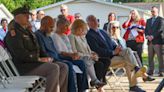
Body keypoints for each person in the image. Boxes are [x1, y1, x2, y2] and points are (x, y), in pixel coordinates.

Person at [4, 6, 68, 92]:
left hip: (35, 63)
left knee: (64, 66)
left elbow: (38, 49)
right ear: (17, 17)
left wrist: (47, 58)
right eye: (25, 15)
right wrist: (39, 59)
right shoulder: (13, 34)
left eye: (28, 15)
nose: (28, 17)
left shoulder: (27, 31)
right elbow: (21, 55)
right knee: (53, 68)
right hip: (25, 67)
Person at [86, 15, 148, 92]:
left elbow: (111, 43)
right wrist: (112, 52)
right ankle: (134, 84)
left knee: (127, 50)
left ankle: (136, 71)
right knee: (128, 62)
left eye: (96, 20)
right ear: (88, 23)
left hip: (114, 56)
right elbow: (97, 50)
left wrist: (117, 47)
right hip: (104, 59)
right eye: (92, 20)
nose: (95, 22)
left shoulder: (102, 32)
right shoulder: (89, 35)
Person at [35, 16, 78, 92]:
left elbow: (54, 51)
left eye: (53, 27)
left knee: (68, 64)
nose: (52, 29)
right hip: (48, 61)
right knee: (66, 65)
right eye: (51, 27)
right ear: (44, 25)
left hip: (56, 58)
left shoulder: (48, 36)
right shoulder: (38, 35)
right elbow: (43, 52)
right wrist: (55, 59)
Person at [51, 16, 89, 92]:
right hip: (62, 57)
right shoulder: (54, 36)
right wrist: (71, 55)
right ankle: (72, 90)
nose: (67, 28)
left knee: (81, 63)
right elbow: (59, 51)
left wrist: (74, 54)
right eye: (65, 26)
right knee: (70, 65)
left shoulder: (65, 36)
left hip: (69, 56)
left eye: (67, 26)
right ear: (59, 25)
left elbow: (70, 49)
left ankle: (82, 88)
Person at [69, 19, 106, 91]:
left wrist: (93, 53)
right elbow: (74, 52)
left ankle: (96, 83)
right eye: (83, 29)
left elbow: (88, 49)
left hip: (88, 58)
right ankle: (95, 81)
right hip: (80, 58)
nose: (84, 31)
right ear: (78, 28)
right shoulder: (71, 36)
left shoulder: (83, 37)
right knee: (88, 59)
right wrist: (89, 55)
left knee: (103, 62)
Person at [145, 6, 164, 77]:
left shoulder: (161, 19)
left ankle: (161, 71)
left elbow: (160, 30)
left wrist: (152, 36)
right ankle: (151, 71)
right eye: (152, 11)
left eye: (154, 11)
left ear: (157, 11)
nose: (152, 13)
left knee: (160, 58)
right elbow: (146, 30)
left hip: (158, 41)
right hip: (149, 42)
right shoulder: (148, 20)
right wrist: (147, 36)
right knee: (150, 57)